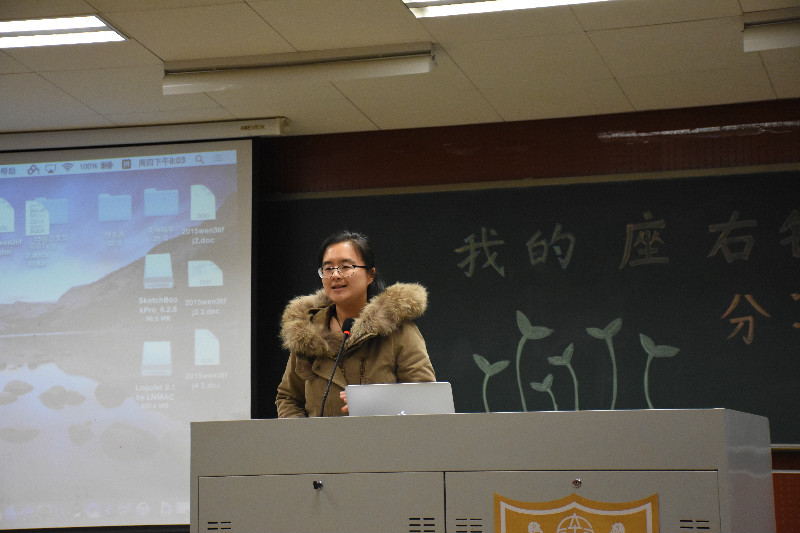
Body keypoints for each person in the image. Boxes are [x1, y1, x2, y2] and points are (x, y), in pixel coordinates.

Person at [275, 231, 436, 417]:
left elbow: (425, 398)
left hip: (382, 435)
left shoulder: (398, 330)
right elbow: (288, 398)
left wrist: (374, 405)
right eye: (328, 268)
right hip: (320, 437)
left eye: (346, 267)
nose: (335, 275)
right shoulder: (307, 331)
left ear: (370, 275)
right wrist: (304, 433)